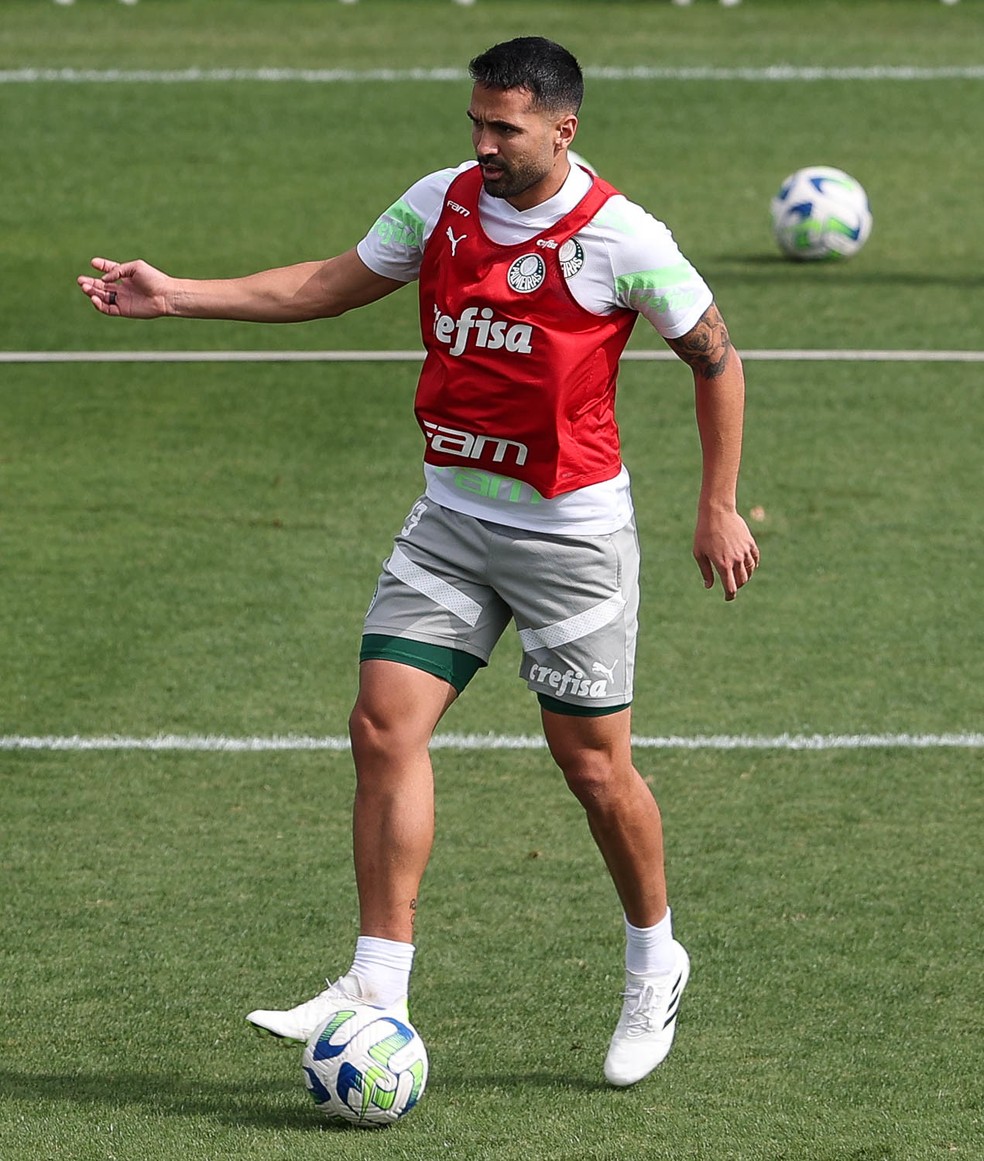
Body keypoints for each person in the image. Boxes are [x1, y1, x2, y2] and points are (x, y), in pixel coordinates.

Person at [77, 36, 759, 1088]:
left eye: (505, 128)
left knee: (591, 767)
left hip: (569, 537)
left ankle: (653, 956)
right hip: (448, 520)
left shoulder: (623, 238)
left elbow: (716, 359)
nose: (481, 143)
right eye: (475, 122)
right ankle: (376, 983)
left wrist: (715, 505)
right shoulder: (439, 200)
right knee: (382, 725)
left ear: (562, 130)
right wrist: (177, 297)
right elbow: (329, 282)